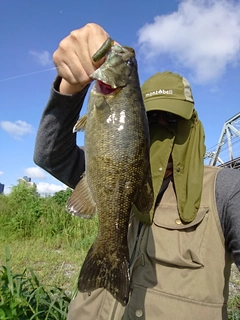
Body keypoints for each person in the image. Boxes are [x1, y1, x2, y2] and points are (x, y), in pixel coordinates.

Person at [34, 23, 240, 320]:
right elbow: (48, 155)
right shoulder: (111, 165)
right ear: (136, 122)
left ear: (192, 126)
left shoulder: (226, 190)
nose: (162, 131)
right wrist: (71, 85)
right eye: (151, 119)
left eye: (173, 120)